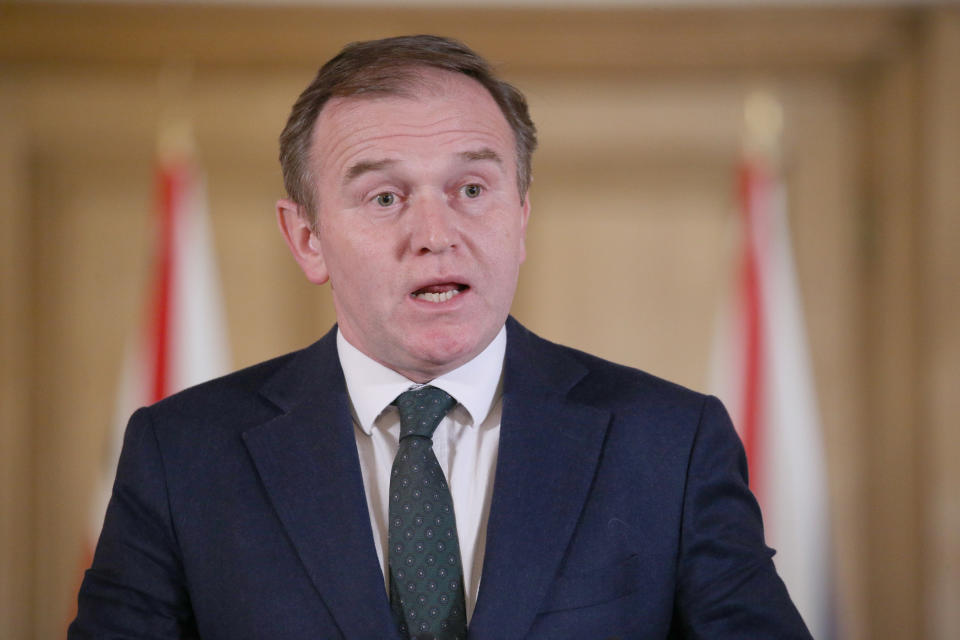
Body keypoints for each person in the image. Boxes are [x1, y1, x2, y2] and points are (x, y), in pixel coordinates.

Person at [70, 35, 811, 639]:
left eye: (472, 190)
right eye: (385, 196)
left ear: (520, 218)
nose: (435, 235)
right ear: (307, 239)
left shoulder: (670, 445)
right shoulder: (182, 454)